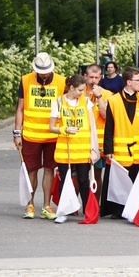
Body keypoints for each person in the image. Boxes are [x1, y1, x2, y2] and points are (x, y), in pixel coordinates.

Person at [14, 52, 66, 220]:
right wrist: (17, 132)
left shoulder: (61, 81)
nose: (43, 74)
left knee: (49, 169)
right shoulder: (26, 80)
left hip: (53, 134)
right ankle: (30, 204)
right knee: (32, 170)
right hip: (31, 134)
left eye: (45, 71)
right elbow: (20, 109)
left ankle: (46, 205)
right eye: (40, 71)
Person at [48, 75, 100, 224]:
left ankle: (87, 211)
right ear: (71, 88)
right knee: (65, 181)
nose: (82, 93)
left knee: (84, 181)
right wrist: (64, 129)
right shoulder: (58, 102)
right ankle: (64, 211)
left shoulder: (86, 101)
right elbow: (51, 127)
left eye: (83, 90)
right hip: (66, 150)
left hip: (83, 149)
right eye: (80, 90)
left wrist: (93, 149)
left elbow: (92, 127)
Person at [101, 68, 139, 218]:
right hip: (120, 151)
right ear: (129, 82)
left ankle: (135, 208)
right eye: (138, 80)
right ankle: (117, 210)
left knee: (136, 181)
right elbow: (109, 127)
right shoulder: (114, 100)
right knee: (117, 182)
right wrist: (108, 150)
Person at [84, 64, 110, 204]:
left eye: (96, 77)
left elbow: (105, 115)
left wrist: (99, 96)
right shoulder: (79, 92)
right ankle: (74, 206)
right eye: (91, 77)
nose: (93, 80)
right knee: (79, 175)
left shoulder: (106, 94)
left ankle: (94, 203)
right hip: (81, 141)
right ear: (85, 77)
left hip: (98, 143)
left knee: (97, 174)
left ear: (100, 78)